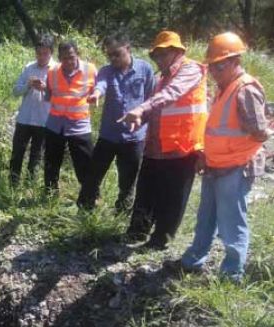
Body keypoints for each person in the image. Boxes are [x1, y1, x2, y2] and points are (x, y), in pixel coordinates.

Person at [179, 32, 272, 280]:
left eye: (219, 66)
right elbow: (219, 130)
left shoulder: (245, 89)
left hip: (236, 166)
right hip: (215, 165)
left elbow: (259, 132)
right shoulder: (225, 87)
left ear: (234, 62)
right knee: (206, 217)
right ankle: (194, 259)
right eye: (212, 67)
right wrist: (206, 156)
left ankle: (232, 273)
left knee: (231, 223)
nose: (214, 72)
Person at [120, 31, 208, 249]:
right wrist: (140, 118)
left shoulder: (191, 70)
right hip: (156, 146)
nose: (159, 59)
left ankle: (161, 240)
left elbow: (173, 93)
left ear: (177, 52)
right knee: (146, 190)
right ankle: (137, 232)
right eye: (156, 55)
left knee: (173, 197)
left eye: (163, 54)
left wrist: (141, 108)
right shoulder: (162, 78)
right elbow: (156, 107)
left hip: (181, 147)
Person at [81, 33, 155, 211]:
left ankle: (122, 213)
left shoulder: (145, 69)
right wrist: (96, 94)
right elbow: (102, 85)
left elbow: (151, 99)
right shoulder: (106, 70)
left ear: (128, 49)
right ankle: (85, 209)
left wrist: (146, 125)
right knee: (93, 175)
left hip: (134, 137)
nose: (113, 58)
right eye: (109, 55)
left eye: (117, 53)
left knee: (127, 180)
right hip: (109, 135)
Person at [44, 40, 97, 201]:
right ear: (59, 58)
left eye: (71, 57)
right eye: (64, 58)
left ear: (77, 55)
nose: (68, 61)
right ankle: (50, 194)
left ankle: (90, 197)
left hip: (79, 125)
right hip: (55, 124)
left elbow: (98, 90)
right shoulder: (52, 72)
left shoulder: (90, 70)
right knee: (52, 162)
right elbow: (48, 95)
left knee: (85, 163)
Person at [10, 35, 55, 186]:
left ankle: (30, 185)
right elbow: (16, 91)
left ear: (51, 53)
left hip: (44, 120)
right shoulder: (29, 67)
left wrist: (45, 88)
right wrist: (28, 85)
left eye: (45, 53)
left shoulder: (57, 70)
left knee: (36, 155)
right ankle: (13, 183)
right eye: (39, 53)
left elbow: (60, 96)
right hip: (25, 118)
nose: (41, 57)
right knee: (17, 152)